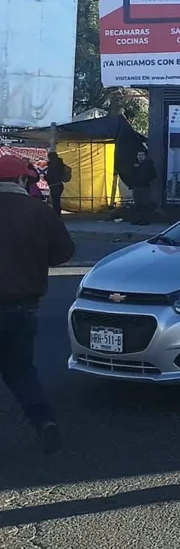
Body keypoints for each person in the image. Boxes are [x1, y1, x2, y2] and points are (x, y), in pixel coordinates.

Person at [0, 155, 74, 455]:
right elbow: (64, 252)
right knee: (21, 371)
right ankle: (45, 423)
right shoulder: (40, 212)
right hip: (23, 308)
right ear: (22, 180)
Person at [126, 151, 157, 225]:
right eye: (139, 155)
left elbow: (154, 175)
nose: (140, 156)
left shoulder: (149, 164)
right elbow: (131, 174)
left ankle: (146, 220)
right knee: (137, 204)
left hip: (145, 187)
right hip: (136, 187)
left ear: (145, 156)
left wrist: (146, 180)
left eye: (142, 155)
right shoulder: (134, 164)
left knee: (145, 204)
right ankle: (137, 219)